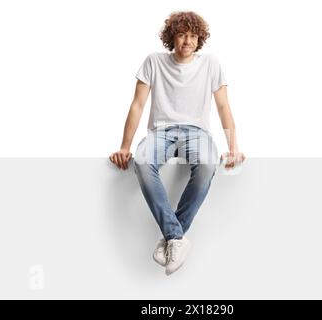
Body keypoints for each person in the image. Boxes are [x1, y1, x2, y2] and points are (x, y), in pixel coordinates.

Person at [109, 11, 245, 275]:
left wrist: (233, 146)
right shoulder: (153, 62)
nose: (187, 41)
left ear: (200, 39)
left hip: (197, 131)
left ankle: (172, 238)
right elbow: (137, 105)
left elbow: (223, 106)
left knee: (206, 164)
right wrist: (125, 147)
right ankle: (176, 236)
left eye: (193, 36)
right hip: (160, 132)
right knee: (143, 160)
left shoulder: (211, 64)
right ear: (172, 36)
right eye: (182, 34)